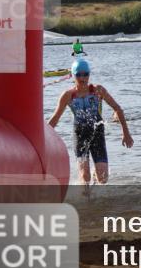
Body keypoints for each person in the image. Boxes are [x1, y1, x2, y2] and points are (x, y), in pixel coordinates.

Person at [48, 59, 133, 194]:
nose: (82, 78)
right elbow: (55, 119)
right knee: (85, 176)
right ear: (73, 75)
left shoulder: (98, 90)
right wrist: (42, 138)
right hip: (80, 135)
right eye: (79, 75)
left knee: (103, 178)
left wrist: (126, 133)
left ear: (89, 74)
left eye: (85, 74)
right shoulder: (68, 95)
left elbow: (118, 108)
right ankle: (86, 200)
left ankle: (94, 191)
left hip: (97, 133)